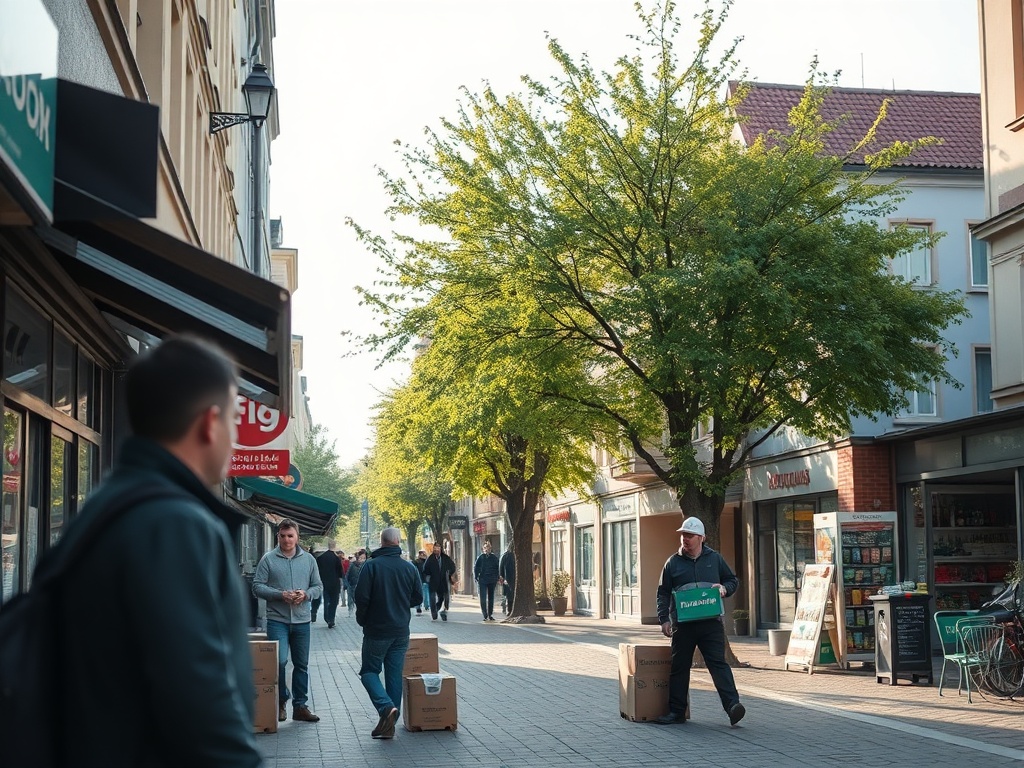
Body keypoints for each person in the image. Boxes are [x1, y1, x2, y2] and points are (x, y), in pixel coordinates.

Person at [53, 335, 261, 766]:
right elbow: (198, 693)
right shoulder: (175, 523)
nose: (237, 436)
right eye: (235, 420)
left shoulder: (112, 504)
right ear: (209, 423)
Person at [655, 516, 745, 727]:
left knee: (718, 664)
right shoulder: (673, 562)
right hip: (683, 625)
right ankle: (676, 712)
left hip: (710, 624)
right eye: (683, 535)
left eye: (690, 535)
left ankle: (733, 706)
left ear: (702, 538)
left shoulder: (714, 559)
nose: (685, 539)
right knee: (679, 667)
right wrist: (664, 620)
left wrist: (724, 589)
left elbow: (732, 580)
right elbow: (663, 592)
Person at [354, 527, 423, 739]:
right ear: (398, 542)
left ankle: (385, 708)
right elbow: (418, 598)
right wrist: (401, 605)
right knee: (394, 676)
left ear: (381, 542)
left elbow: (361, 597)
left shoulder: (371, 566)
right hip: (401, 630)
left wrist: (363, 619)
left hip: (377, 630)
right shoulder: (409, 567)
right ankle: (389, 726)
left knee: (368, 672)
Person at [253, 519, 324, 723]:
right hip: (277, 620)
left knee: (301, 664)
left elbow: (318, 587)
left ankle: (300, 706)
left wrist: (306, 594)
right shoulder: (268, 559)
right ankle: (281, 701)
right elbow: (257, 586)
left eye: (290, 536)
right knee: (280, 661)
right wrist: (280, 595)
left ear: (297, 537)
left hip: (302, 621)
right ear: (278, 537)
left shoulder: (309, 560)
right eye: (283, 536)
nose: (286, 540)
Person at [422, 542, 457, 621]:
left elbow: (452, 566)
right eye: (435, 549)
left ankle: (440, 610)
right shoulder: (430, 559)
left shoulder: (445, 558)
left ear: (440, 550)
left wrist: (449, 572)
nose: (436, 551)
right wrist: (428, 577)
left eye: (438, 549)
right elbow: (425, 570)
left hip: (443, 582)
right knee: (432, 598)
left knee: (442, 598)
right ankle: (434, 614)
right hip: (433, 581)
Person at [312, 543, 344, 627]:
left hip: (323, 582)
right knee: (334, 601)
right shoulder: (336, 558)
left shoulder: (320, 558)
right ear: (334, 547)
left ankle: (326, 617)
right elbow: (340, 572)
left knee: (326, 600)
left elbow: (317, 571)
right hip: (334, 583)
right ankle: (331, 619)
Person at [474, 541, 501, 621]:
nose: (487, 549)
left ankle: (490, 614)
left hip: (492, 580)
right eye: (485, 548)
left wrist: (497, 577)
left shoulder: (494, 558)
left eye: (488, 548)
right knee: (483, 598)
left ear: (490, 549)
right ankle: (485, 614)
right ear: (483, 549)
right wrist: (476, 577)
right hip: (482, 580)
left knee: (491, 598)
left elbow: (497, 568)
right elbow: (476, 568)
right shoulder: (481, 557)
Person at [346, 549, 367, 616]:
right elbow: (348, 574)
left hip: (362, 585)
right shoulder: (352, 564)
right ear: (358, 557)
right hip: (352, 584)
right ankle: (350, 610)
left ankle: (359, 610)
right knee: (351, 598)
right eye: (361, 558)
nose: (362, 559)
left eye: (364, 558)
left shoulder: (367, 565)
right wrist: (348, 583)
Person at [499, 542, 516, 616]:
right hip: (513, 578)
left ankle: (508, 610)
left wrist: (501, 577)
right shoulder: (517, 556)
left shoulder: (505, 556)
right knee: (511, 594)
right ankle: (509, 609)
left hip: (507, 578)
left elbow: (501, 568)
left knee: (508, 595)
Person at [413, 549, 429, 615]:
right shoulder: (427, 562)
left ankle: (419, 607)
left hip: (418, 581)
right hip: (424, 580)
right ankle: (426, 606)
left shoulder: (415, 562)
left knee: (419, 594)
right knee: (425, 594)